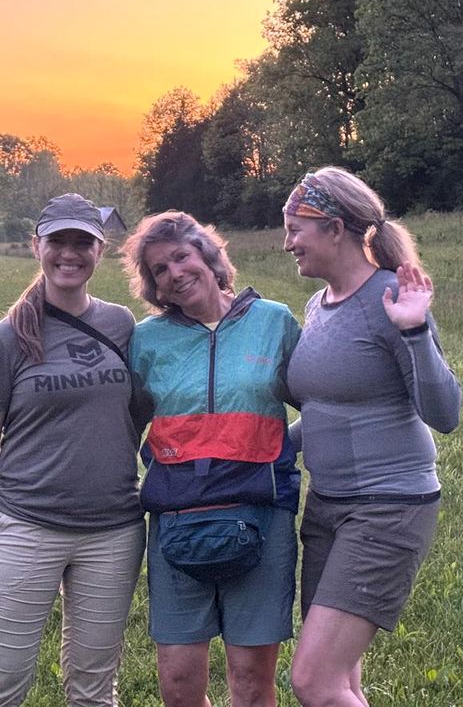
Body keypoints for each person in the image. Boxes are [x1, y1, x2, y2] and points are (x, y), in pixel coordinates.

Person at [279, 168, 462, 707]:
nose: (287, 243)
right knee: (341, 681)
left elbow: (445, 413)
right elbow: (327, 411)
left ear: (335, 229)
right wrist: (263, 449)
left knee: (314, 681)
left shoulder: (392, 298)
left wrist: (415, 330)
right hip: (327, 505)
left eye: (295, 230)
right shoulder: (319, 305)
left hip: (388, 506)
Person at [0, 194, 145, 707]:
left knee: (94, 691)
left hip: (113, 531)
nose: (69, 253)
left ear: (100, 250)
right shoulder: (6, 339)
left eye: (82, 242)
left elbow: (139, 412)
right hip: (25, 529)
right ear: (35, 246)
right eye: (57, 241)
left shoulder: (122, 325)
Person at [121, 212, 301, 707]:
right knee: (178, 686)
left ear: (209, 256)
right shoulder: (146, 340)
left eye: (181, 256)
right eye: (159, 269)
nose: (174, 273)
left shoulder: (274, 322)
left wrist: (282, 449)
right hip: (177, 520)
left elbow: (322, 405)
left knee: (251, 681)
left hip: (261, 516)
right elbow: (125, 424)